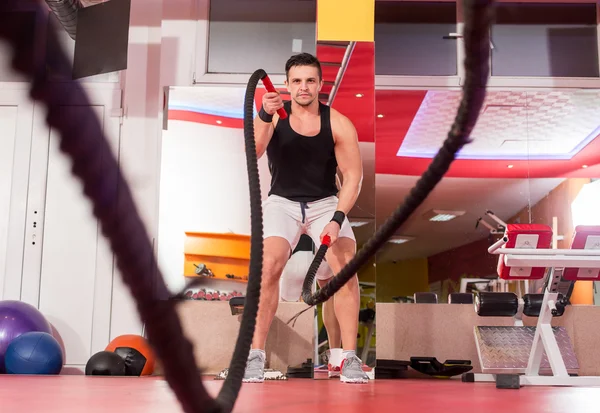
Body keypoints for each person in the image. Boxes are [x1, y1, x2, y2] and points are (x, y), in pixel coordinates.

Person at [243, 52, 368, 384]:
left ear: (320, 84)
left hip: (325, 202)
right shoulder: (272, 116)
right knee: (268, 266)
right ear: (286, 85)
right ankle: (255, 355)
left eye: (310, 80)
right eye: (296, 81)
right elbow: (251, 151)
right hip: (282, 202)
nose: (303, 87)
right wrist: (261, 113)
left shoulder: (338, 122)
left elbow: (353, 177)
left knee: (345, 264)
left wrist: (337, 218)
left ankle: (349, 358)